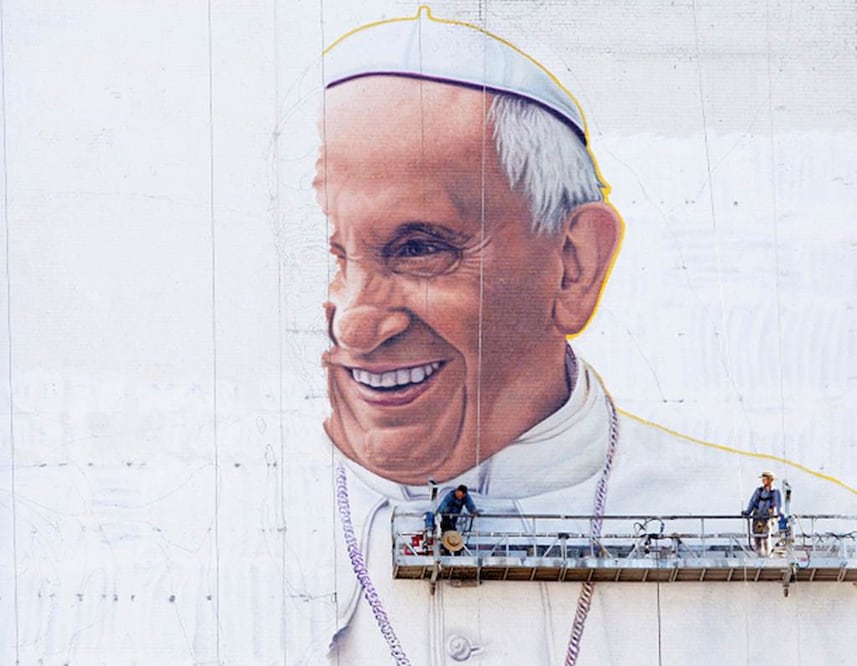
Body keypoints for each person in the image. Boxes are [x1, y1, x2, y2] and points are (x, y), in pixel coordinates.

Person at [305, 7, 857, 665]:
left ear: (574, 264)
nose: (355, 323)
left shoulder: (824, 540)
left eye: (421, 248)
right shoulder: (209, 544)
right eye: (332, 251)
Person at [744, 471, 783, 556]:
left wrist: (780, 514)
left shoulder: (775, 492)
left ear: (770, 480)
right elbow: (753, 502)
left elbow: (778, 504)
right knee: (756, 536)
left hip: (768, 517)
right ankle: (759, 554)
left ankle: (767, 554)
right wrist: (747, 512)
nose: (763, 481)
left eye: (764, 479)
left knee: (766, 536)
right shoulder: (759, 491)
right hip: (757, 516)